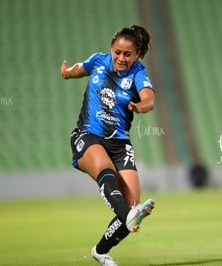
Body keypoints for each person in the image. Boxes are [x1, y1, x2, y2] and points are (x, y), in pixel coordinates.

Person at [61, 25, 155, 266]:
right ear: (111, 48)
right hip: (88, 135)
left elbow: (149, 99)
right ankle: (128, 217)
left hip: (120, 144)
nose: (121, 58)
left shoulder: (138, 74)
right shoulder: (98, 60)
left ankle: (101, 252)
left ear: (136, 55)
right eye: (117, 52)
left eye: (127, 54)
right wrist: (68, 72)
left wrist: (140, 106)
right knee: (107, 173)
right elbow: (78, 69)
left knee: (133, 205)